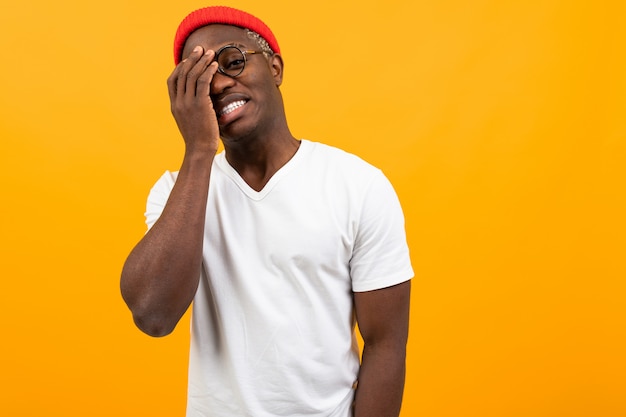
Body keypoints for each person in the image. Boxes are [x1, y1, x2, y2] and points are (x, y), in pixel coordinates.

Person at [120, 6, 413, 417]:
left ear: (274, 67)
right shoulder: (176, 192)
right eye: (198, 79)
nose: (219, 83)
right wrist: (200, 151)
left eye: (232, 61)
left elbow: (385, 345)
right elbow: (153, 315)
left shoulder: (358, 185)